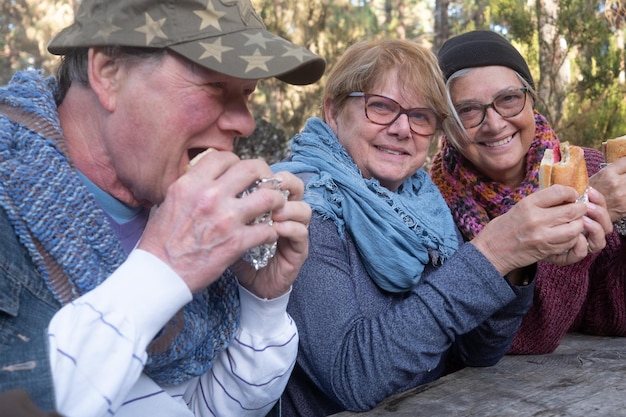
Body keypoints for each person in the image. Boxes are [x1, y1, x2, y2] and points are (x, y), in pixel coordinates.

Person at [0, 0, 325, 416]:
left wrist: (262, 302)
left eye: (247, 93)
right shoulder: (12, 204)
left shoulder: (182, 204)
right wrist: (164, 268)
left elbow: (206, 407)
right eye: (215, 86)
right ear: (108, 73)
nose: (246, 123)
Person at [271, 38, 609, 416]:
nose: (403, 129)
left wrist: (516, 264)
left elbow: (475, 352)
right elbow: (355, 377)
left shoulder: (425, 206)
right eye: (380, 107)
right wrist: (492, 253)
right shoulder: (304, 207)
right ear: (333, 112)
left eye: (420, 115)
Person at [431, 29, 623, 354]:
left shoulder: (591, 167)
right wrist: (575, 218)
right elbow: (520, 340)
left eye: (508, 99)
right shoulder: (434, 213)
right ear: (447, 124)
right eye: (468, 110)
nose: (494, 123)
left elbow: (611, 313)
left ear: (531, 98)